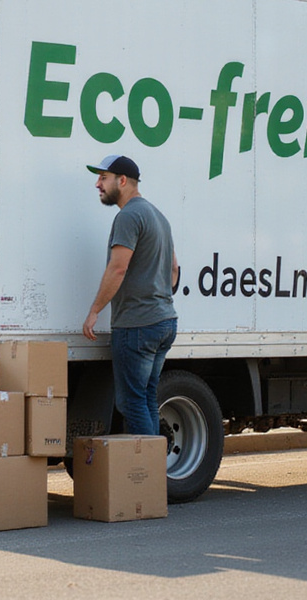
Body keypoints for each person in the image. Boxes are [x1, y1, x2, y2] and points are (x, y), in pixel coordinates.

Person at [82, 154, 179, 436]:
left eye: (103, 178)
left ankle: (145, 474)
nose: (97, 184)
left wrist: (94, 311)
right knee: (147, 397)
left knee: (131, 402)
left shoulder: (128, 216)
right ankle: (152, 472)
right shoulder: (158, 216)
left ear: (122, 181)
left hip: (137, 325)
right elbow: (174, 269)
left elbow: (118, 269)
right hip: (164, 320)